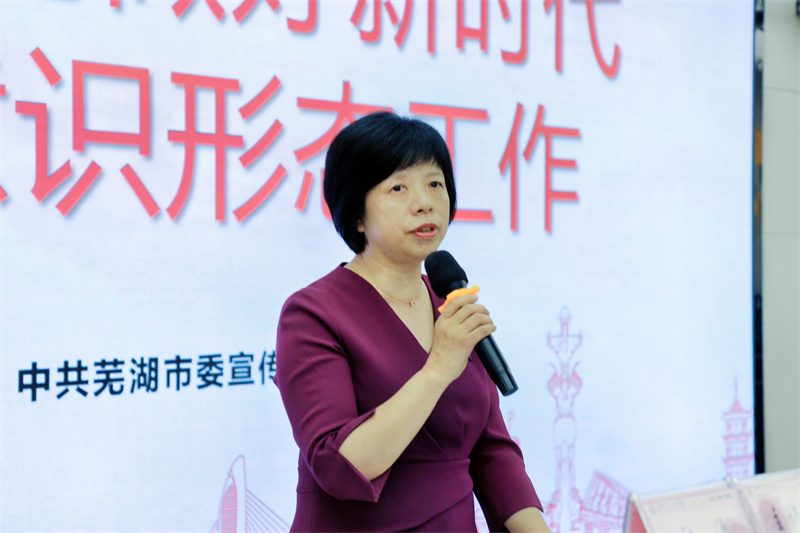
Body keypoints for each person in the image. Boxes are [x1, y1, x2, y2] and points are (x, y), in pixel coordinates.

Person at [275, 112, 550, 532]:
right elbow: (338, 464)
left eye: (435, 184)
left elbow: (492, 451)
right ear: (357, 214)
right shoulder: (312, 313)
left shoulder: (450, 302)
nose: (424, 202)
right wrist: (438, 369)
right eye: (398, 188)